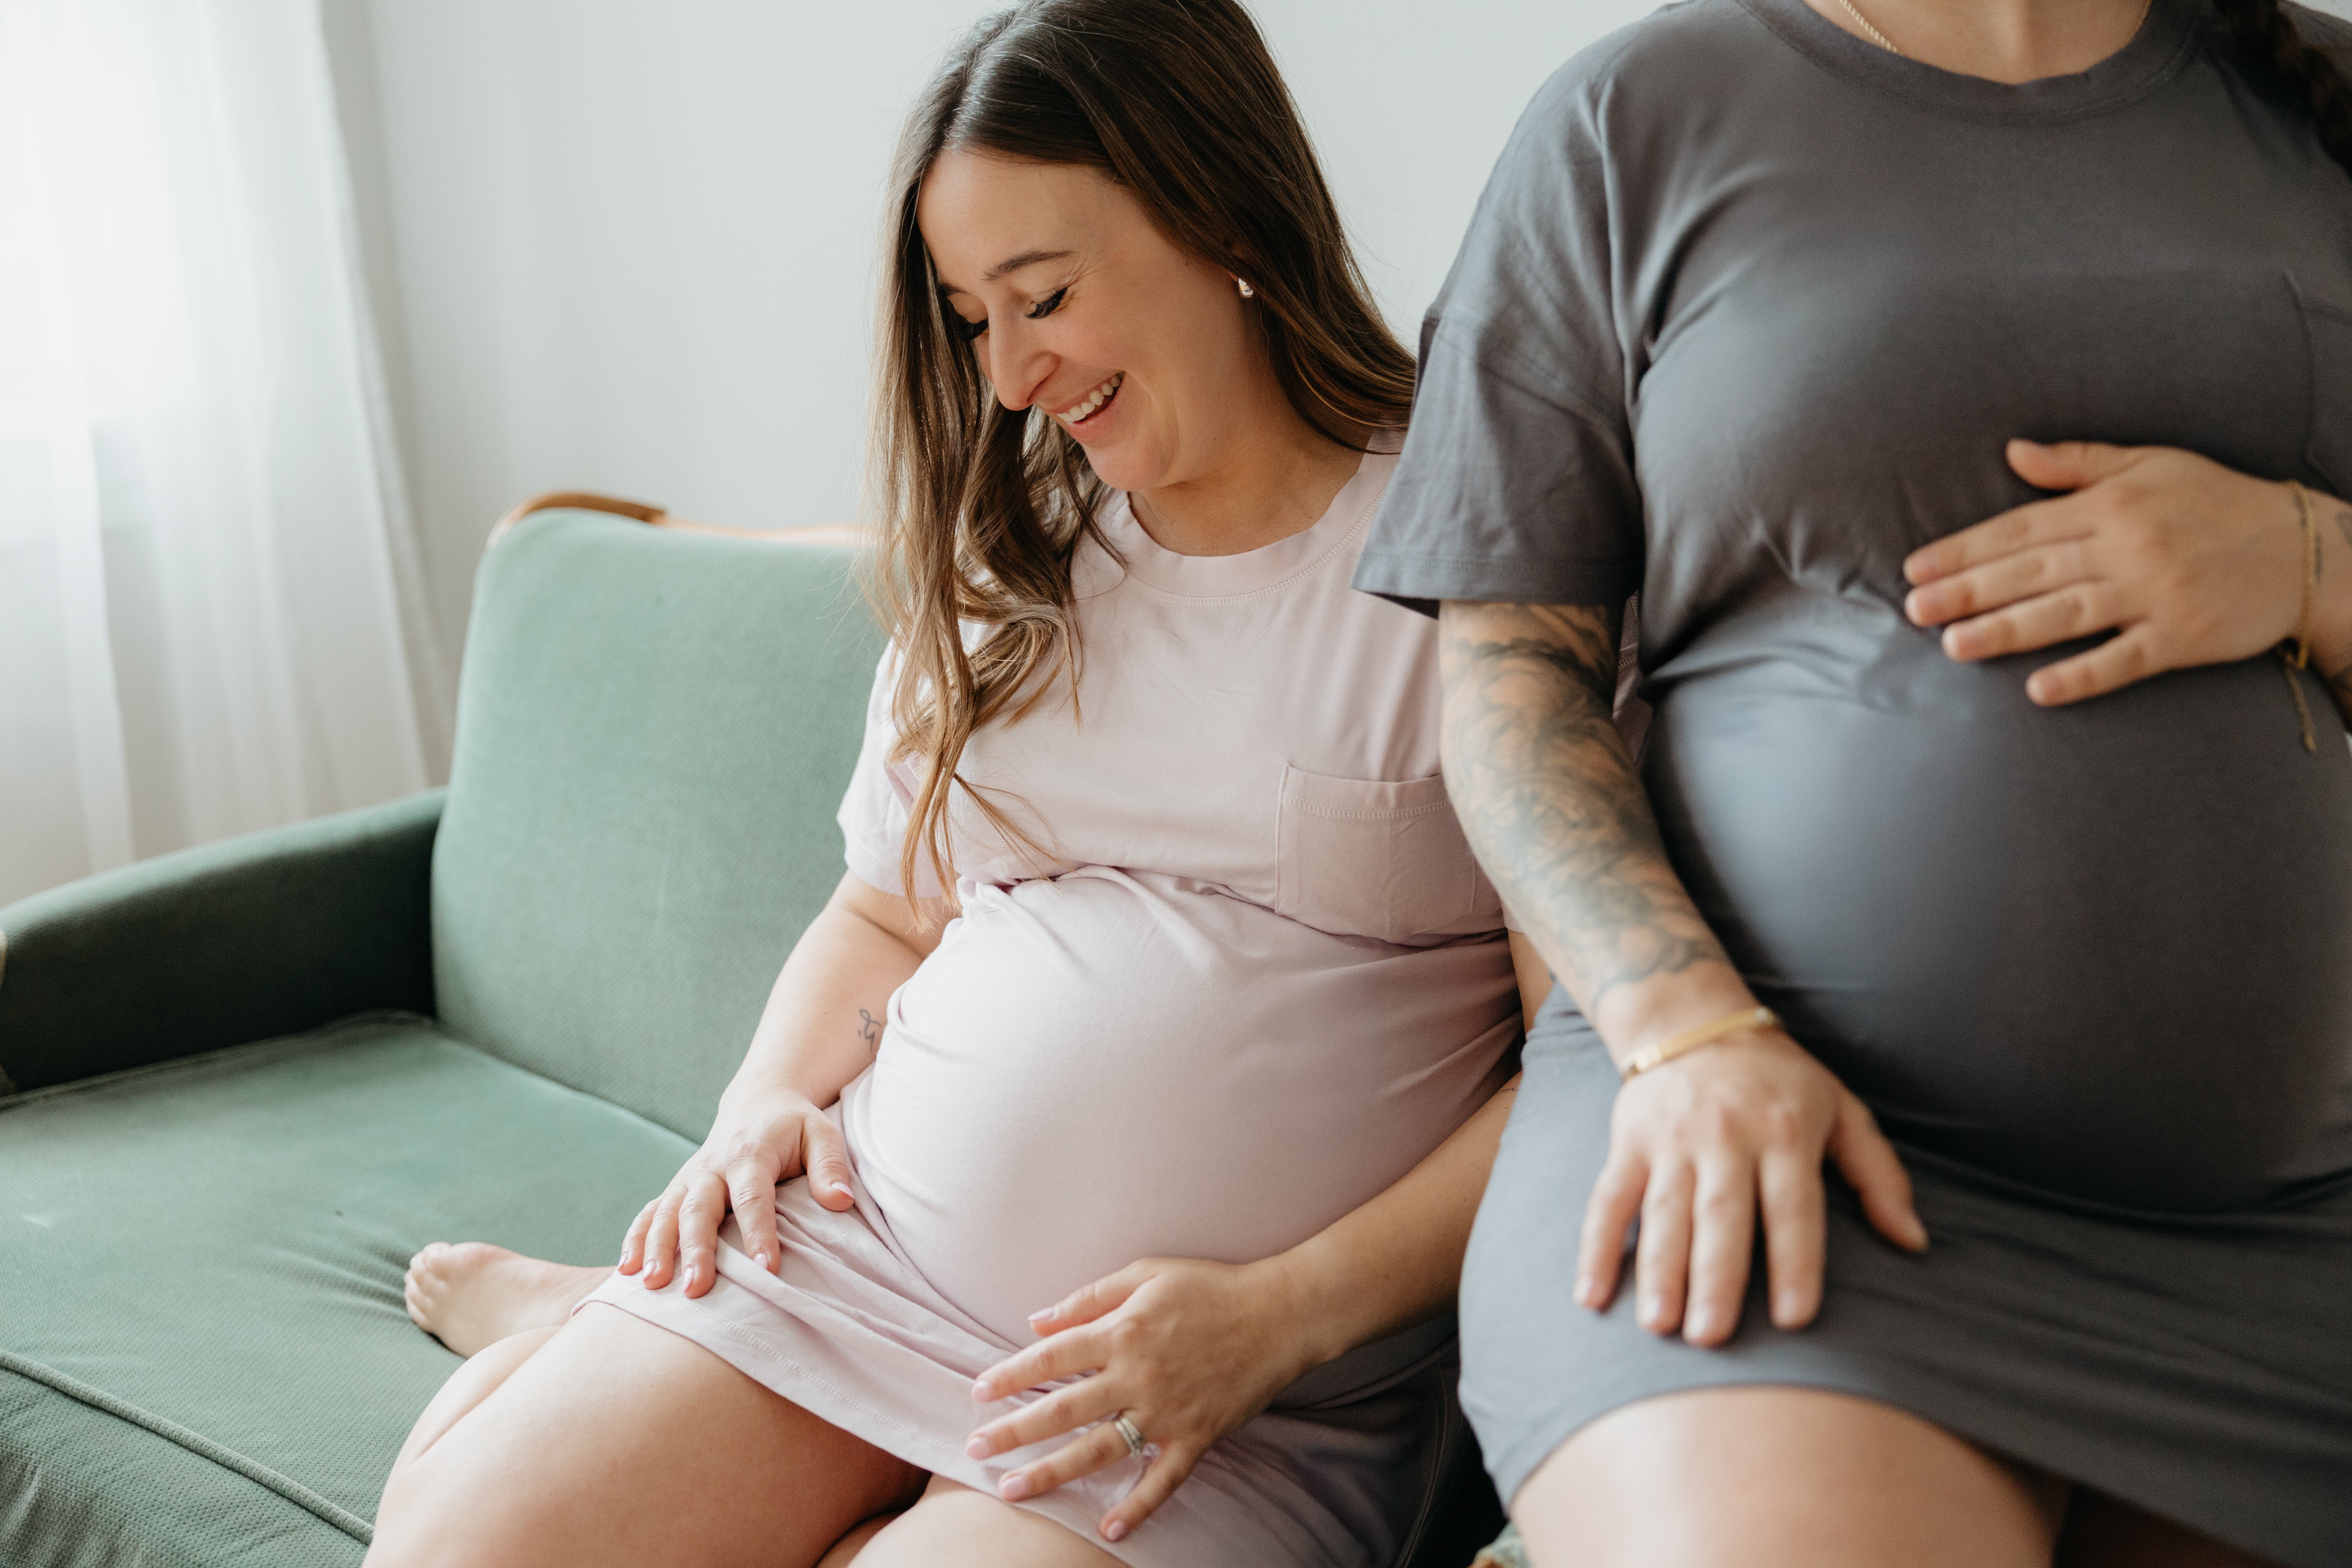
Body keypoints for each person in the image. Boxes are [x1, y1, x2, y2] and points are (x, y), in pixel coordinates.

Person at [365, 3, 1547, 1565]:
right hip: (864, 1271)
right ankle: (634, 1329)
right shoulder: (1016, 576)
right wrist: (761, 1100)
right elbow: (880, 909)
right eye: (973, 317)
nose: (1007, 377)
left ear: (1219, 205)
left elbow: (1585, 1065)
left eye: (1044, 295)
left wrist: (1275, 1318)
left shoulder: (1470, 555)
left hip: (1214, 1397)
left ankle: (598, 1328)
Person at [1353, 0, 2352, 1563]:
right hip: (1768, 1159)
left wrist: (2313, 560)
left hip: (2292, 1247)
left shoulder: (2321, 101)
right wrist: (1683, 1031)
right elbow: (1506, 679)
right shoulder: (1636, 120)